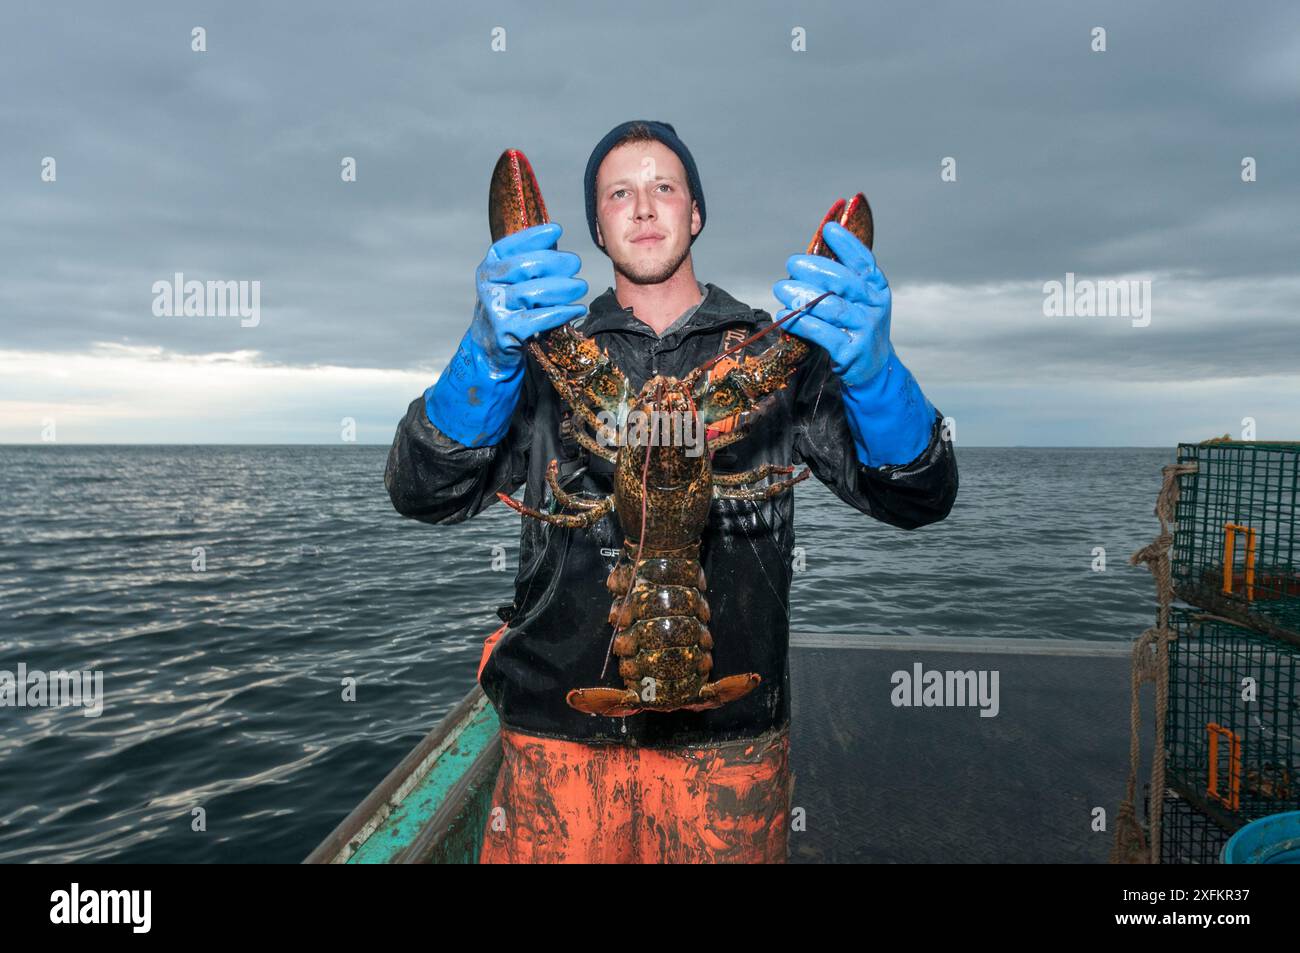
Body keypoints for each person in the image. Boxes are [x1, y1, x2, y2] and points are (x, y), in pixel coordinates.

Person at [385, 120, 958, 863]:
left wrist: (877, 376)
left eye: (664, 187)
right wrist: (485, 357)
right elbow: (421, 491)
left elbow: (922, 497)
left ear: (696, 213)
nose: (645, 207)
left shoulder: (776, 352)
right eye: (620, 192)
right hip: (555, 742)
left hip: (729, 747)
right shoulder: (543, 353)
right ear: (595, 225)